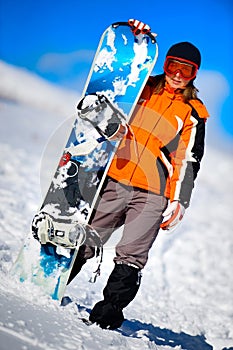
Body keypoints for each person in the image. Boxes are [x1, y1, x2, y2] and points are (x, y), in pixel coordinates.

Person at [68, 20, 209, 330]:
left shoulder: (194, 111)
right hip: (116, 178)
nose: (177, 75)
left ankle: (108, 314)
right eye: (173, 65)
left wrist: (179, 199)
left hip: (153, 193)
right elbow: (117, 82)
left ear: (194, 75)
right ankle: (55, 280)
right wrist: (137, 41)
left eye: (186, 71)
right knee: (88, 238)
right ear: (165, 63)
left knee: (131, 254)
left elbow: (189, 159)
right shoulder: (142, 87)